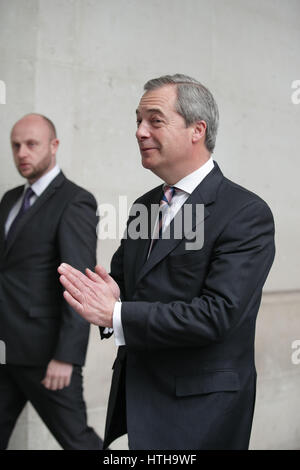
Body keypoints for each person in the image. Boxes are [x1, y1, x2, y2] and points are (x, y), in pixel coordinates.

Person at [58, 74, 275, 450]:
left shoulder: (246, 213)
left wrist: (117, 314)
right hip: (138, 405)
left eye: (154, 120)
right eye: (137, 121)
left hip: (201, 414)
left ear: (197, 130)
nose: (140, 132)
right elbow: (129, 290)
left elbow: (217, 314)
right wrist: (111, 297)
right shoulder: (144, 206)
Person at [0, 113, 103, 450]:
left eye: (31, 144)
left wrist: (67, 357)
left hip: (46, 357)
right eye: (16, 146)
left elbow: (79, 283)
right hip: (5, 351)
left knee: (78, 442)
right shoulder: (10, 199)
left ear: (54, 146)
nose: (22, 153)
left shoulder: (74, 201)